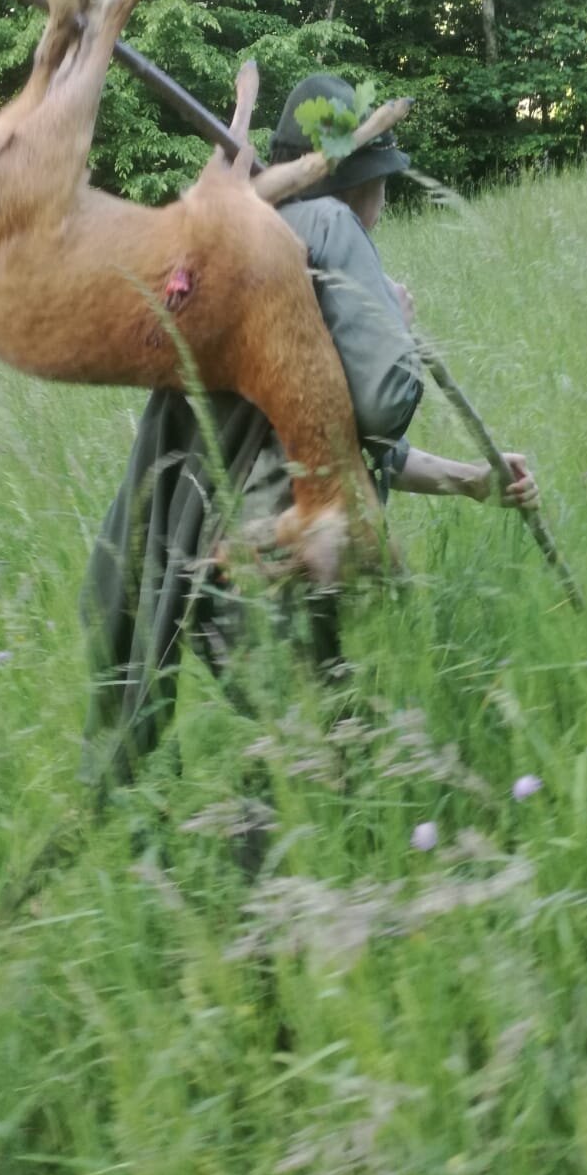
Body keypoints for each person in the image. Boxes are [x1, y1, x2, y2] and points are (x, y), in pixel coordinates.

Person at [78, 73, 538, 798]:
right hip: (264, 562)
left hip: (208, 568)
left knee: (334, 753)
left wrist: (475, 481)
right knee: (321, 766)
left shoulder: (251, 265)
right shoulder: (325, 239)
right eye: (379, 185)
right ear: (359, 187)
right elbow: (386, 403)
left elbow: (338, 450)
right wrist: (394, 330)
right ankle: (265, 890)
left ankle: (300, 871)